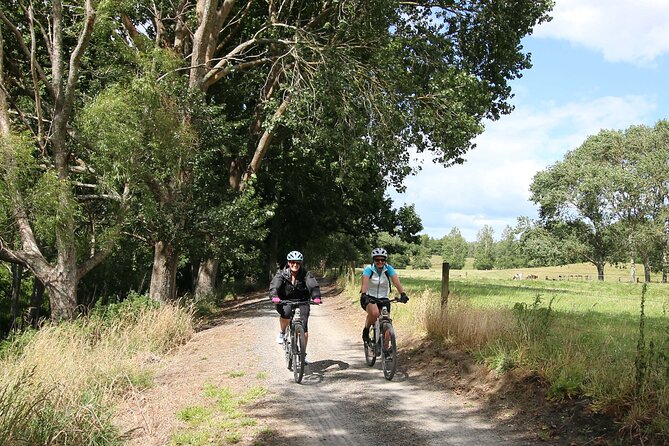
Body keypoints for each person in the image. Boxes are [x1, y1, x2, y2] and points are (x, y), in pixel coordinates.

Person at [269, 251, 322, 352]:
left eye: (298, 262)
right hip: (284, 300)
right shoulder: (281, 273)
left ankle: (303, 353)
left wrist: (316, 296)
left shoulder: (306, 274)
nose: (295, 265)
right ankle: (282, 332)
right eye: (293, 262)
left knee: (304, 325)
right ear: (289, 263)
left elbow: (313, 285)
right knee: (286, 313)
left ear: (300, 263)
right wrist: (274, 296)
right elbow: (275, 285)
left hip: (302, 300)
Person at [360, 247, 408, 345]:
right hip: (369, 297)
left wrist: (402, 294)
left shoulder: (388, 269)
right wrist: (364, 294)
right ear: (373, 260)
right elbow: (364, 283)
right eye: (377, 260)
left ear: (385, 260)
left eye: (382, 260)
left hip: (383, 298)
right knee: (375, 313)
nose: (380, 262)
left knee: (386, 320)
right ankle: (366, 330)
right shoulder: (369, 269)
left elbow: (396, 282)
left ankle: (385, 349)